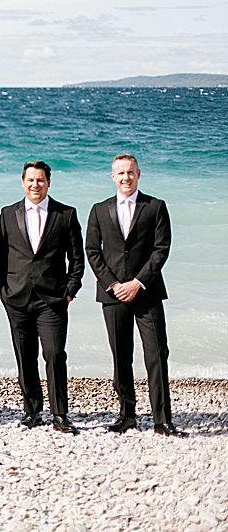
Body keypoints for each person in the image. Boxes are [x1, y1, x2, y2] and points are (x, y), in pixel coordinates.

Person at [85, 154, 186, 437]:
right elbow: (92, 250)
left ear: (139, 174)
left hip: (147, 292)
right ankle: (126, 415)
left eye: (130, 172)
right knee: (121, 356)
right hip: (112, 294)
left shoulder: (155, 207)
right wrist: (113, 284)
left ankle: (162, 420)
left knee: (157, 354)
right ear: (112, 176)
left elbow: (161, 249)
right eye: (120, 173)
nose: (126, 177)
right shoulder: (99, 209)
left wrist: (138, 282)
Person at [0, 161, 85, 434]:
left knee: (54, 354)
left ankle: (60, 414)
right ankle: (32, 410)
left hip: (52, 298)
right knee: (25, 355)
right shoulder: (8, 214)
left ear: (48, 183)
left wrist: (70, 291)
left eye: (40, 180)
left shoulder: (65, 214)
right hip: (16, 296)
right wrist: (0, 288)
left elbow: (76, 258)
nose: (35, 185)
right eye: (30, 180)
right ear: (23, 182)